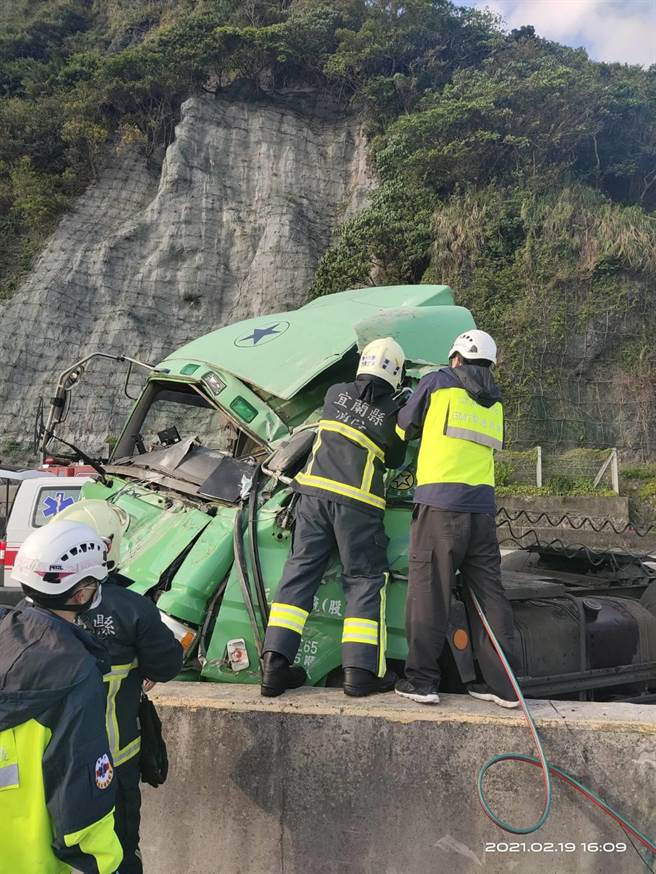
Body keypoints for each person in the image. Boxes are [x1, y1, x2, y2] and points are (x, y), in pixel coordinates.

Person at [261, 337, 407, 698]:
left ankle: (273, 667)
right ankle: (359, 674)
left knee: (299, 574)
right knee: (364, 580)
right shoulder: (393, 412)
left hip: (312, 498)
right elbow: (395, 458)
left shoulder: (335, 393)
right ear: (397, 374)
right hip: (358, 506)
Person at [56, 499, 184, 874]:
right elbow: (167, 663)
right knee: (120, 849)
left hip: (56, 760)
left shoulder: (35, 611)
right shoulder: (131, 608)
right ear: (107, 546)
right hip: (114, 759)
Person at [394, 329, 518, 708]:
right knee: (489, 596)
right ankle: (504, 687)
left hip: (440, 506)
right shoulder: (496, 401)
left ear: (456, 358)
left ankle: (422, 681)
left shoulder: (437, 382)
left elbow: (403, 427)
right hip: (481, 511)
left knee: (429, 592)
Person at [0, 521, 123, 874]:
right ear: (82, 594)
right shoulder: (75, 672)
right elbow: (82, 793)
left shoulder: (5, 633)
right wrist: (105, 866)